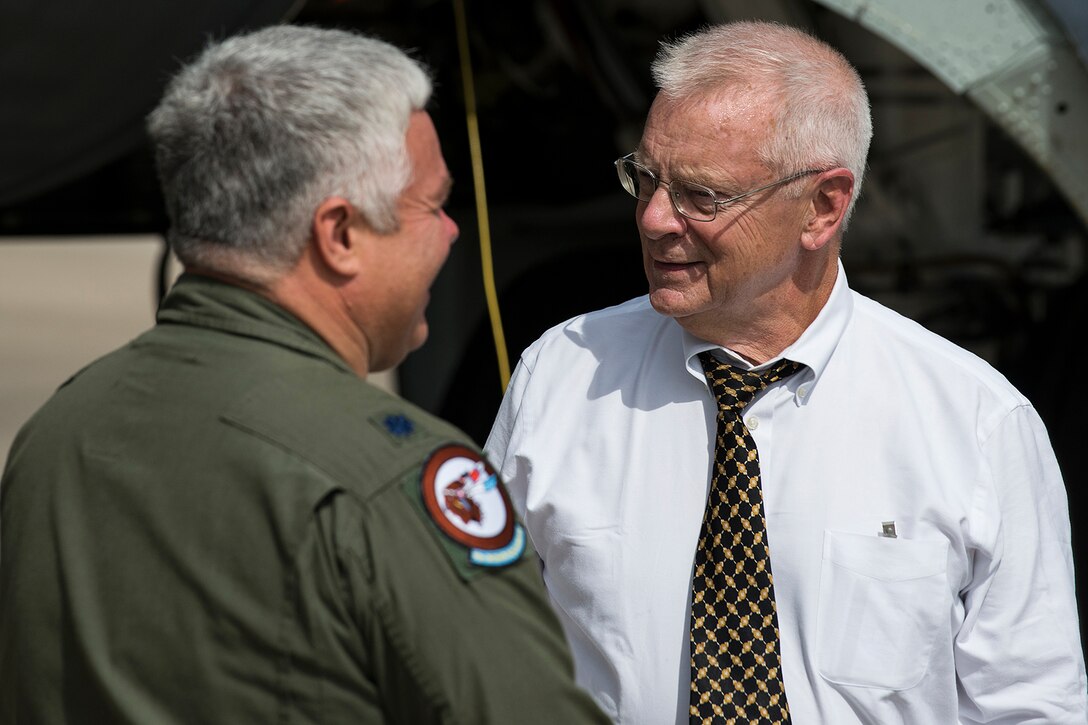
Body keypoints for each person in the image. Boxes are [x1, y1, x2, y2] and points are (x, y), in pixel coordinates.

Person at [0, 24, 609, 724]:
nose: (451, 232)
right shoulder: (395, 475)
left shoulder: (57, 431)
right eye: (433, 204)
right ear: (340, 234)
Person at [484, 19, 1087, 724]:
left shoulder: (974, 420)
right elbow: (479, 645)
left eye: (702, 195)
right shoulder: (562, 376)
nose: (653, 219)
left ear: (823, 206)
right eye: (644, 179)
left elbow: (1029, 703)